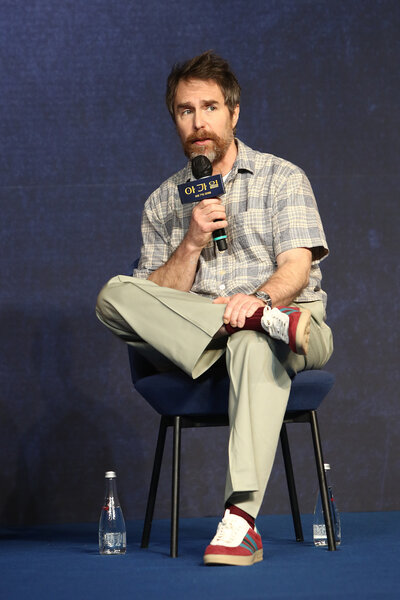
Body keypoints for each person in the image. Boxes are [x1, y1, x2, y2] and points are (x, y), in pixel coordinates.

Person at [96, 50, 333, 566]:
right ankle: (239, 326)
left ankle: (240, 522)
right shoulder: (163, 202)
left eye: (209, 107)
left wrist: (261, 302)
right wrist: (191, 242)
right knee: (114, 296)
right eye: (185, 111)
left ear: (233, 112)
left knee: (255, 338)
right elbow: (156, 299)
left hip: (291, 324)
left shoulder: (282, 178)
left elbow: (296, 269)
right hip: (200, 341)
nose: (199, 122)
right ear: (174, 119)